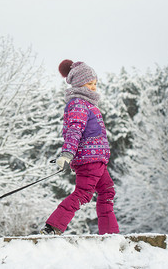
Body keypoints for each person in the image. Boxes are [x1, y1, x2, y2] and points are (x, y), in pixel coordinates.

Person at [40, 60, 120, 235]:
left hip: (97, 159)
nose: (93, 87)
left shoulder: (88, 105)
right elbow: (74, 130)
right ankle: (53, 226)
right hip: (89, 159)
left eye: (95, 84)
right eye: (89, 83)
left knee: (107, 191)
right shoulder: (78, 104)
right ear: (78, 84)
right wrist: (67, 154)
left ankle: (110, 234)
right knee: (84, 193)